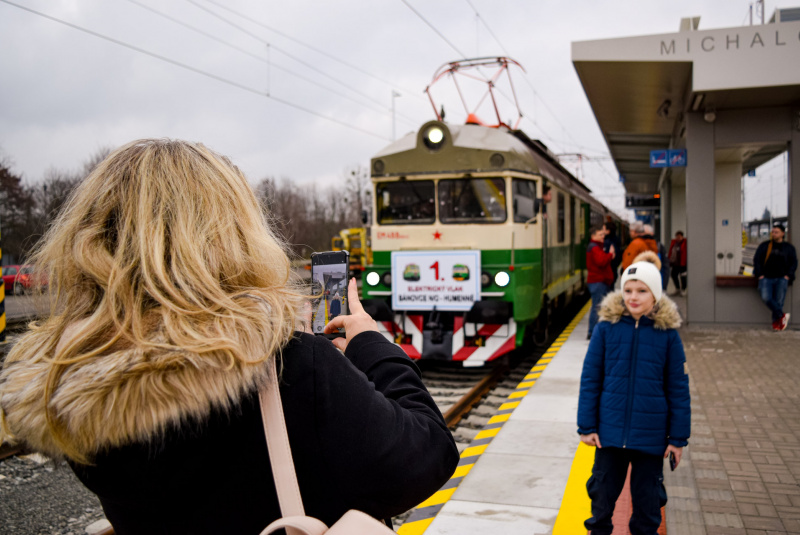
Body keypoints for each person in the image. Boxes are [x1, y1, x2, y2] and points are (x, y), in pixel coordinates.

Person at [0, 140, 459, 534]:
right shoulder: (294, 367)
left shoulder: (66, 382)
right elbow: (428, 456)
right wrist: (372, 344)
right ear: (234, 236)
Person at [578, 251, 691, 535]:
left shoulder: (667, 335)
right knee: (600, 505)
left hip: (651, 439)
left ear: (655, 295)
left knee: (648, 510)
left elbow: (678, 390)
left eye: (642, 291)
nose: (633, 297)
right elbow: (590, 379)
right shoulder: (606, 329)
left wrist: (677, 439)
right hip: (609, 435)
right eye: (628, 290)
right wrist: (587, 426)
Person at [753, 222, 797, 331]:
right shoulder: (765, 246)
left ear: (782, 233)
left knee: (779, 302)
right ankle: (782, 315)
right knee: (766, 297)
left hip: (782, 278)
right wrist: (760, 274)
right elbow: (757, 259)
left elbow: (794, 262)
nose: (774, 234)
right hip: (766, 278)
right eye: (773, 232)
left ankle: (777, 325)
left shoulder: (788, 248)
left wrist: (788, 276)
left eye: (776, 232)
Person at [587, 224, 615, 339]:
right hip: (597, 281)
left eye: (603, 234)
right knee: (597, 307)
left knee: (598, 306)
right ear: (593, 236)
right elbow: (601, 261)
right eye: (600, 234)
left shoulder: (596, 247)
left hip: (598, 281)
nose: (603, 236)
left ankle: (594, 331)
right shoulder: (594, 248)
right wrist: (610, 255)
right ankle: (592, 332)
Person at [668, 231, 688, 296]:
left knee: (683, 276)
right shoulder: (674, 243)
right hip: (675, 263)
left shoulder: (685, 243)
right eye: (677, 237)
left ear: (682, 237)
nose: (678, 238)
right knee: (673, 275)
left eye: (679, 237)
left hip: (683, 263)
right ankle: (677, 288)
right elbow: (671, 251)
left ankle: (683, 289)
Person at [603, 220, 622, 286]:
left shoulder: (607, 243)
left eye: (603, 229)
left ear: (608, 231)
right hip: (613, 272)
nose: (602, 231)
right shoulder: (616, 241)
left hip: (607, 274)